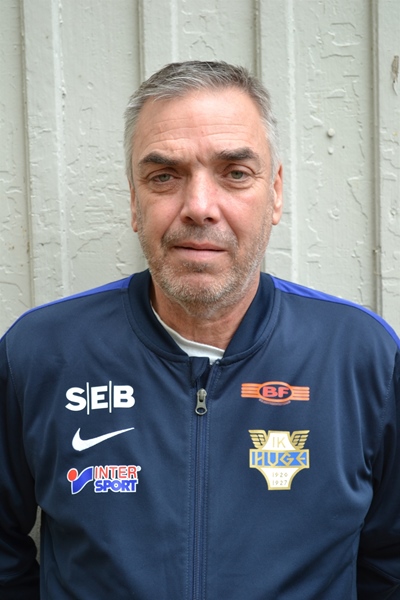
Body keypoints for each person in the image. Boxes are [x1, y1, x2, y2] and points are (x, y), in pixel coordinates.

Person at [0, 61, 399, 600]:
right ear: (134, 201)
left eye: (235, 173)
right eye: (164, 176)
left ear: (275, 193)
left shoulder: (361, 356)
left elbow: (390, 563)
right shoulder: (41, 353)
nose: (199, 207)